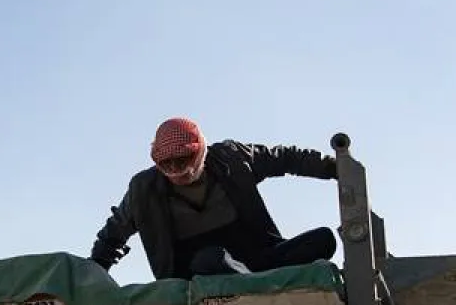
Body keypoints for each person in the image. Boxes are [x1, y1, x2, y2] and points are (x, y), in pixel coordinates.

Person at [90, 117, 339, 281]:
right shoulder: (144, 190)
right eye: (167, 164)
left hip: (261, 263)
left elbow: (285, 158)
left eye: (184, 161)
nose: (177, 171)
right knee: (212, 258)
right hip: (200, 279)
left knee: (323, 239)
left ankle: (253, 282)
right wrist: (90, 278)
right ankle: (251, 286)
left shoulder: (233, 159)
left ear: (200, 151)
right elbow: (111, 237)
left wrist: (336, 169)